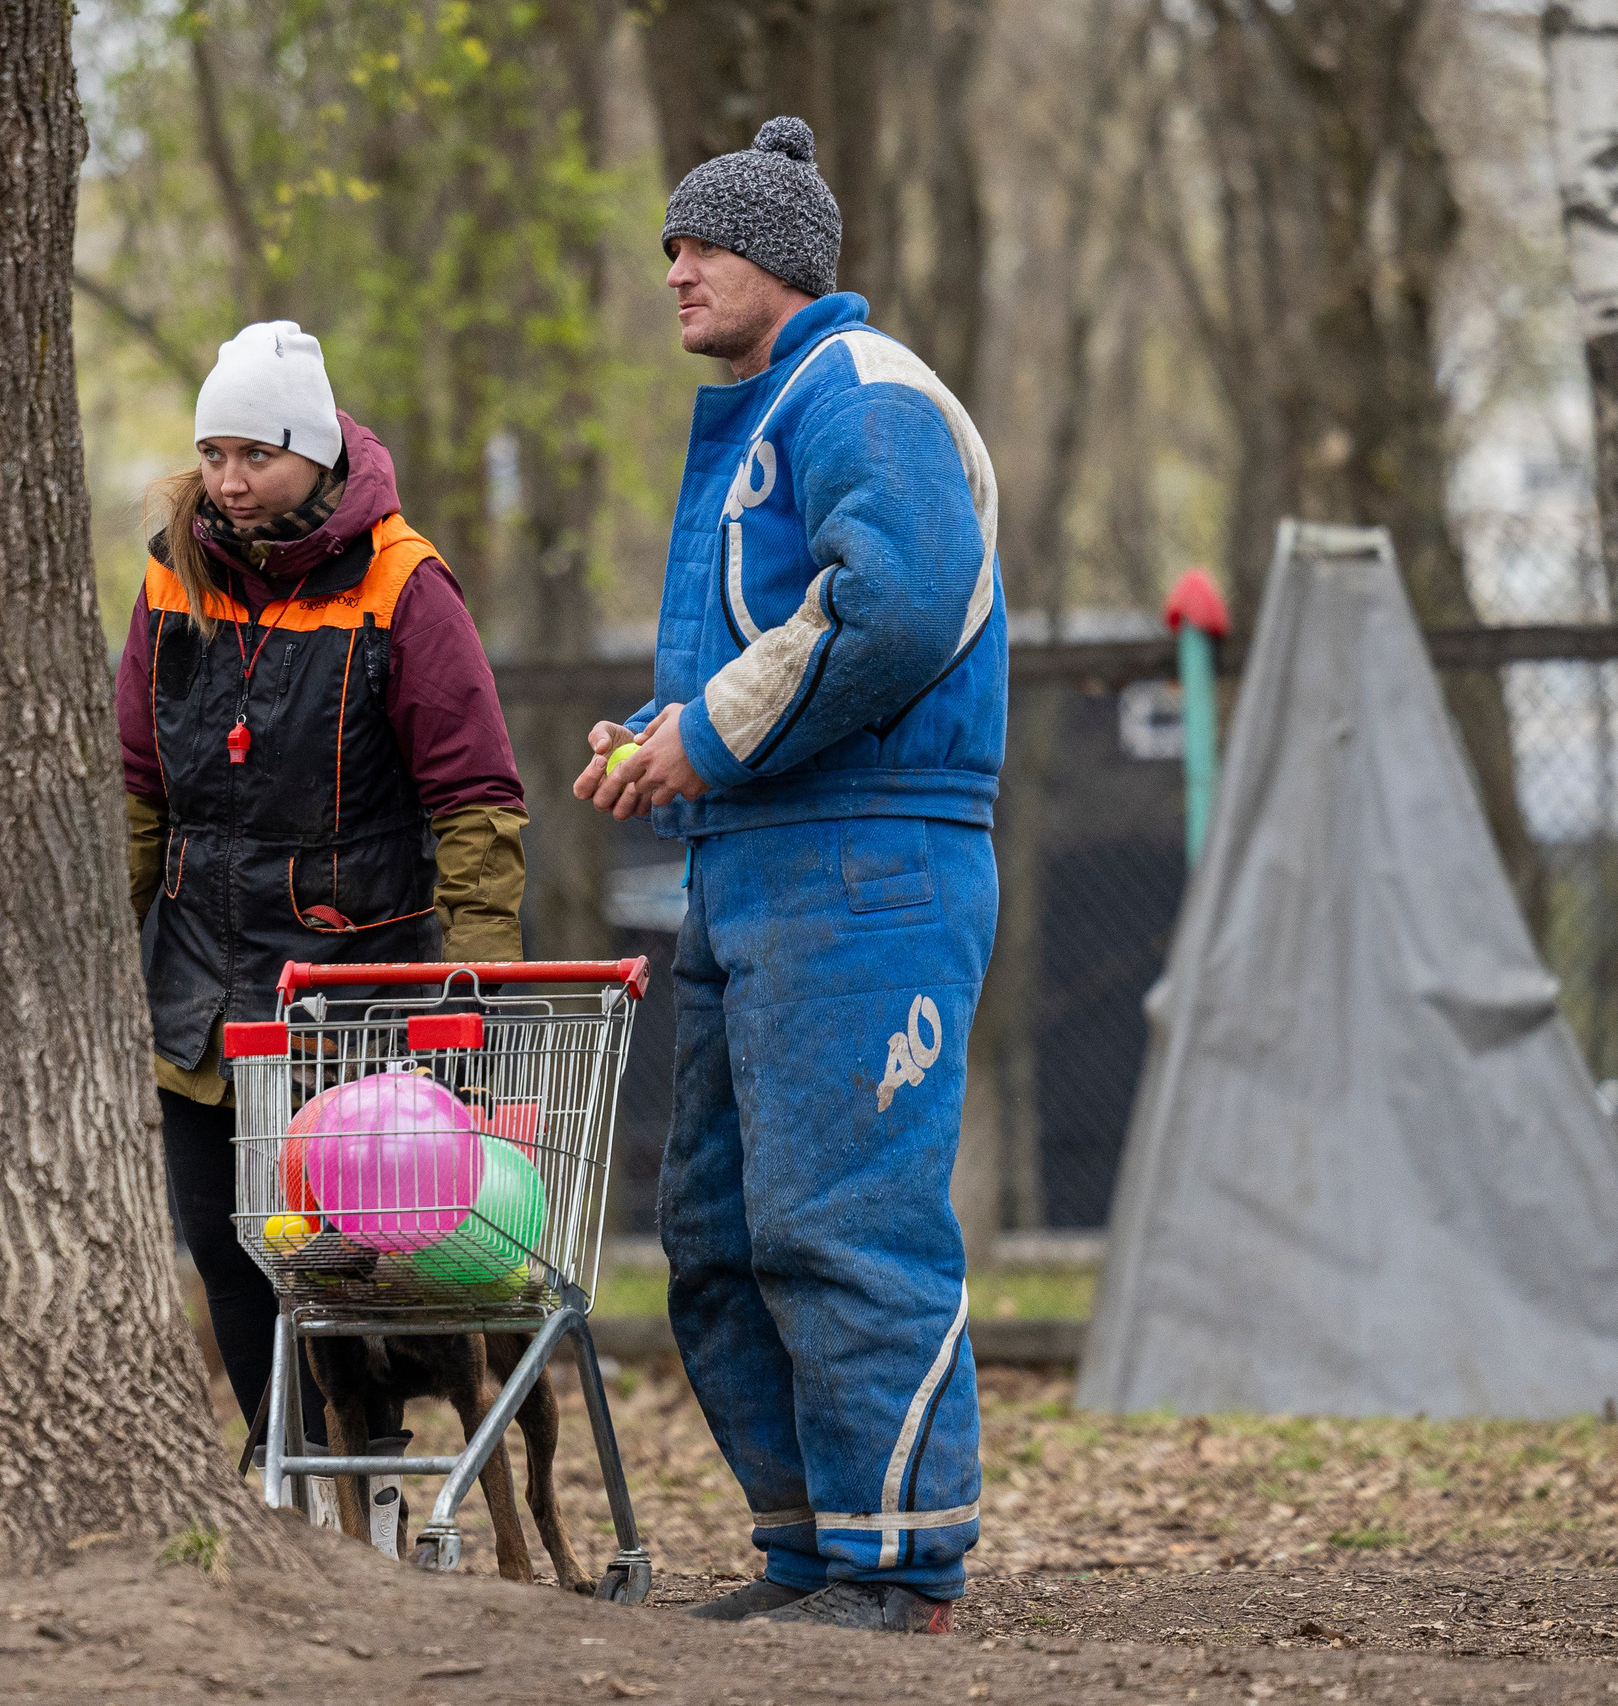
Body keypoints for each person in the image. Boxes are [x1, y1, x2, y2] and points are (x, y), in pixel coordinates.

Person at [577, 118, 1003, 1633]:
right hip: (756, 861)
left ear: (780, 257)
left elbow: (896, 606)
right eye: (670, 245)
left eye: (701, 244)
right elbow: (778, 640)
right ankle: (814, 1548)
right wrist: (664, 732)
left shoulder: (862, 391)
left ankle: (900, 1564)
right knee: (718, 1236)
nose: (674, 269)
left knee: (843, 1222)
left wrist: (707, 733)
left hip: (867, 859)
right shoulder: (777, 406)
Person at [117, 321, 527, 1445]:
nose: (230, 481)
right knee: (227, 1244)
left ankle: (359, 1460)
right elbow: (137, 786)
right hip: (198, 987)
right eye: (213, 454)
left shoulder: (405, 583)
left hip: (353, 997)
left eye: (257, 455)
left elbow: (476, 801)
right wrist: (101, 949)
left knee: (345, 1252)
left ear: (315, 452)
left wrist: (474, 985)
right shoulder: (172, 572)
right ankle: (284, 1464)